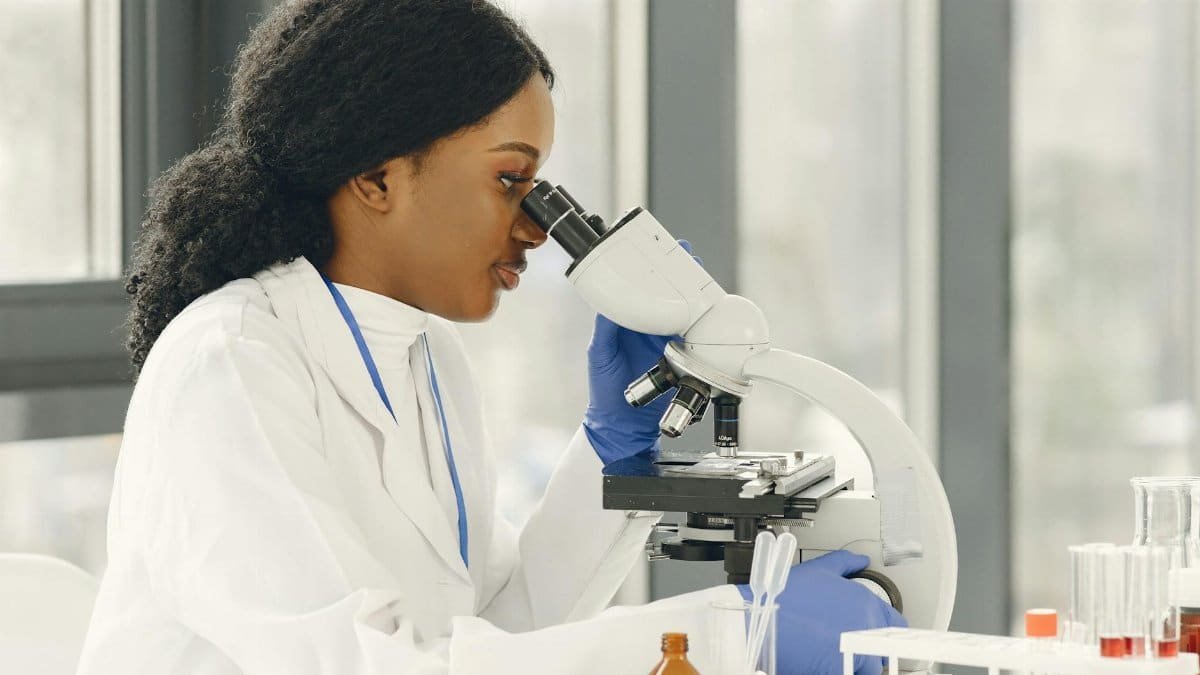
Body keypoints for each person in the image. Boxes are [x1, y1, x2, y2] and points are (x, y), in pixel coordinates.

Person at [75, 1, 904, 674]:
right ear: (376, 176)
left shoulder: (428, 361)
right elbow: (372, 667)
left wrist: (609, 455)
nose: (537, 228)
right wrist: (732, 633)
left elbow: (498, 638)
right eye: (511, 181)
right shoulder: (229, 366)